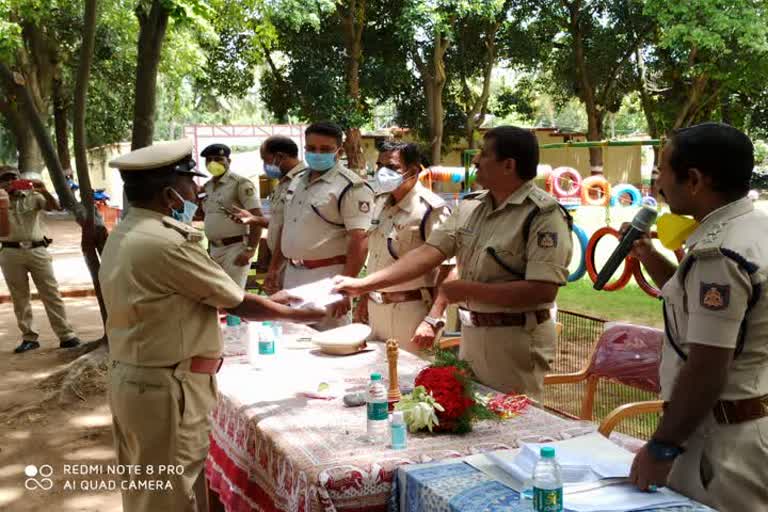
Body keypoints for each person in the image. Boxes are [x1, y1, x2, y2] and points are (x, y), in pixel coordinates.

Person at [101, 139, 324, 512]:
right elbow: (237, 301)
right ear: (171, 193)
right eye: (191, 182)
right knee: (170, 498)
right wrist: (300, 314)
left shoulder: (130, 232)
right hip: (166, 388)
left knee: (152, 491)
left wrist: (279, 302)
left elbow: (189, 294)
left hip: (141, 379)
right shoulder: (167, 242)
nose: (198, 190)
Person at [335, 126, 573, 399]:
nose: (475, 160)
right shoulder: (470, 207)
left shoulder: (543, 215)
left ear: (508, 165)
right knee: (475, 417)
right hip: (471, 333)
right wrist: (363, 284)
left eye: (483, 154)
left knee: (514, 421)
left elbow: (543, 290)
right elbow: (428, 253)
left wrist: (466, 291)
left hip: (516, 338)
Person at [626, 123, 768, 510]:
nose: (658, 186)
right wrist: (649, 257)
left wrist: (662, 447)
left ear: (693, 180)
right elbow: (701, 308)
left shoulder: (719, 253)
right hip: (748, 425)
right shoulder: (753, 229)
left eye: (662, 173)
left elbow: (707, 366)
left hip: (718, 444)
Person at [357, 141, 452, 352]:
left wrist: (432, 319)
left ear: (414, 170)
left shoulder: (430, 209)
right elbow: (376, 257)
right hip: (376, 310)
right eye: (379, 166)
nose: (383, 173)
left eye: (391, 168)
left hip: (412, 313)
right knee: (378, 378)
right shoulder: (381, 204)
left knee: (411, 380)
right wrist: (364, 298)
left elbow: (448, 268)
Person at [278, 122, 374, 330]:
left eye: (325, 149)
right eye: (311, 149)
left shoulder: (351, 186)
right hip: (292, 273)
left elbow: (360, 240)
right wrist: (276, 269)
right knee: (293, 340)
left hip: (328, 279)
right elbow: (290, 227)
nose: (317, 154)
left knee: (328, 345)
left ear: (338, 152)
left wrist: (344, 289)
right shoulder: (297, 181)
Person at [0, 165, 81, 353]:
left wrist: (43, 190)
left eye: (13, 177)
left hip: (37, 250)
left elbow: (55, 208)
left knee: (51, 292)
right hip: (10, 252)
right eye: (5, 178)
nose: (10, 181)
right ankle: (29, 337)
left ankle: (66, 335)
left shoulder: (34, 197)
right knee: (20, 297)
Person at [200, 143, 263, 288]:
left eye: (218, 159)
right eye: (208, 159)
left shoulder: (240, 183)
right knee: (217, 293)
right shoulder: (207, 187)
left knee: (234, 293)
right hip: (214, 249)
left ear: (229, 161)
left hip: (235, 248)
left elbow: (256, 217)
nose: (212, 163)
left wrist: (250, 249)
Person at [260, 136, 306, 293]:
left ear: (279, 157)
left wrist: (273, 268)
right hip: (280, 259)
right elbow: (277, 222)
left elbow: (288, 228)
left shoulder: (302, 181)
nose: (265, 166)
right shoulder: (283, 182)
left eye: (266, 160)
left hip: (293, 262)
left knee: (295, 310)